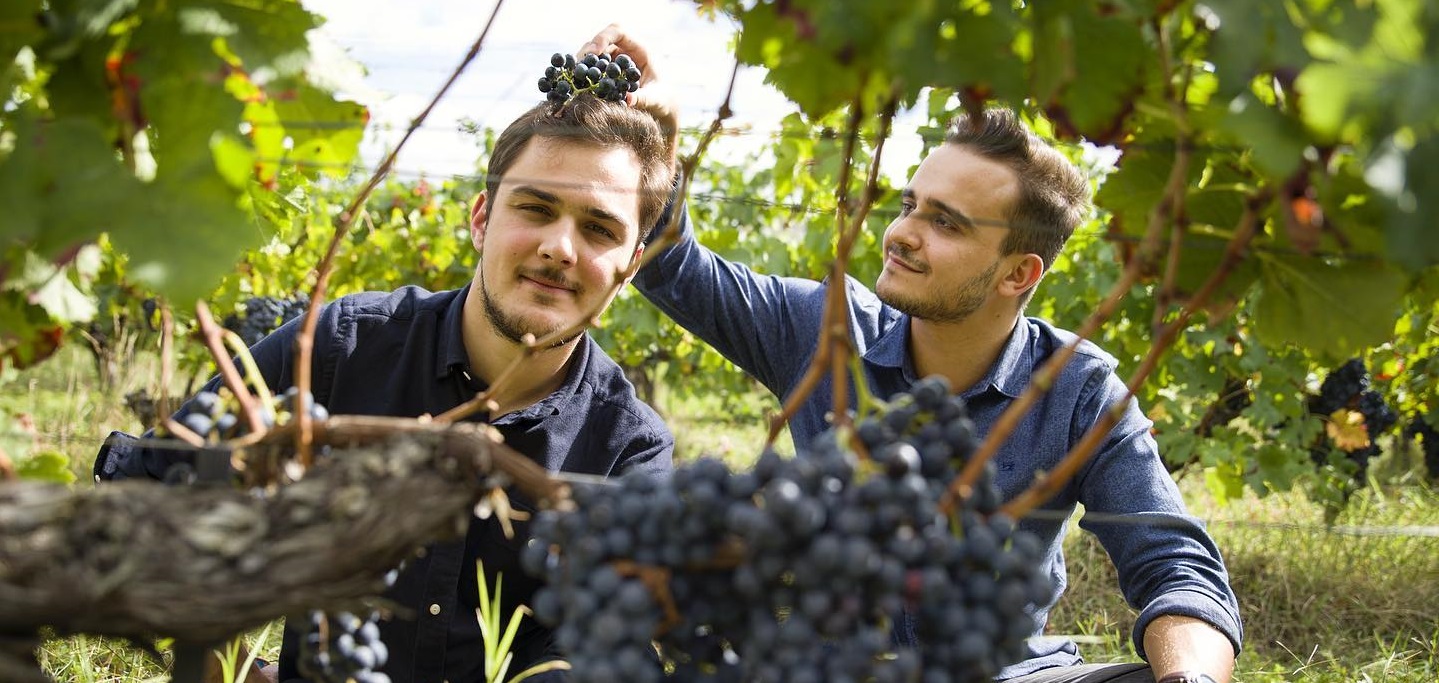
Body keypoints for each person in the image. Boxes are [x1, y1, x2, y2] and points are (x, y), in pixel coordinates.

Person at [581, 24, 1241, 683]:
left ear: (1018, 274)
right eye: (909, 205)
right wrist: (659, 143)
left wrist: (1190, 679)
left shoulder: (1078, 386)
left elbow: (1174, 562)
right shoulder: (821, 328)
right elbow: (672, 267)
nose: (900, 233)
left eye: (944, 221)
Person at [93, 91, 677, 682]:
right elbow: (142, 493)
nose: (559, 247)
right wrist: (234, 668)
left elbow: (597, 645)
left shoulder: (628, 447)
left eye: (599, 228)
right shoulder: (338, 348)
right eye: (535, 208)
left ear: (630, 267)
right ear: (481, 219)